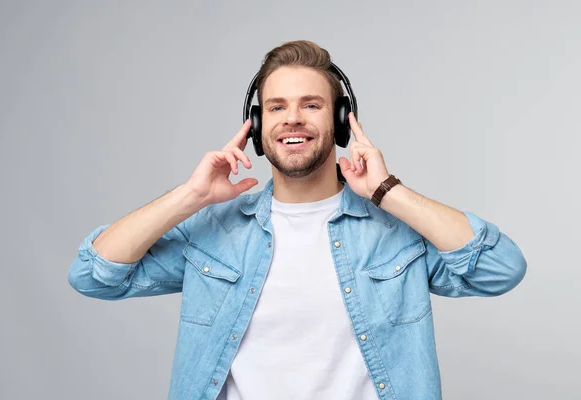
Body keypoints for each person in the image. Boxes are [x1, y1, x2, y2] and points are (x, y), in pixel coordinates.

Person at [68, 40, 527, 400]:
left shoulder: (394, 233)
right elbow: (94, 275)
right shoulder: (213, 235)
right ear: (257, 124)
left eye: (311, 105)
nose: (293, 120)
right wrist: (191, 197)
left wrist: (389, 192)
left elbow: (501, 268)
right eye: (276, 107)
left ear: (342, 122)